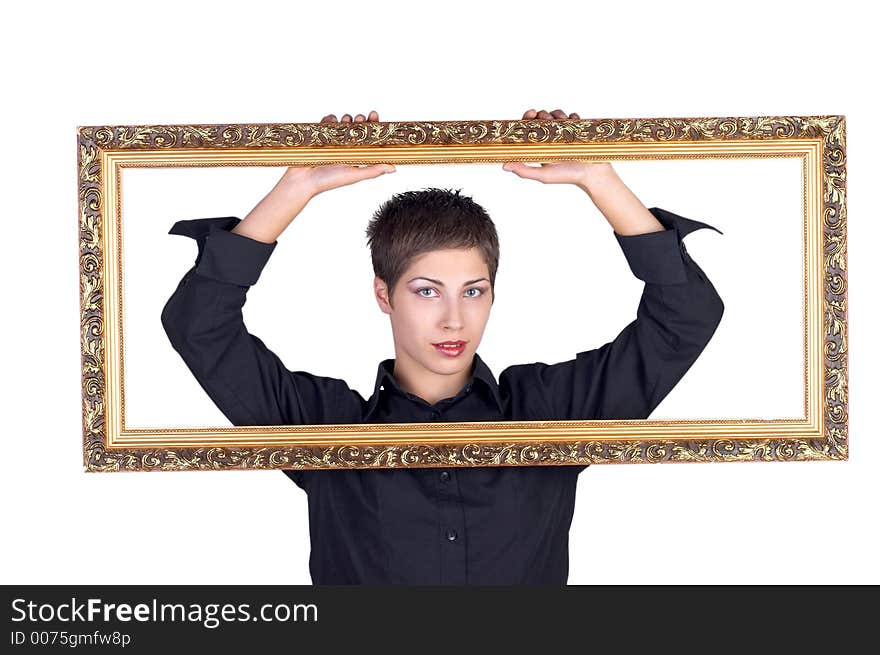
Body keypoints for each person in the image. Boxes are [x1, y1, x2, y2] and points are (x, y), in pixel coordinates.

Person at [161, 108, 725, 584]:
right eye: (427, 291)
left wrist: (599, 177)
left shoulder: (548, 416)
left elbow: (685, 318)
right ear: (385, 295)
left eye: (473, 291)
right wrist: (297, 186)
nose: (454, 318)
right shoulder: (326, 431)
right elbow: (199, 327)